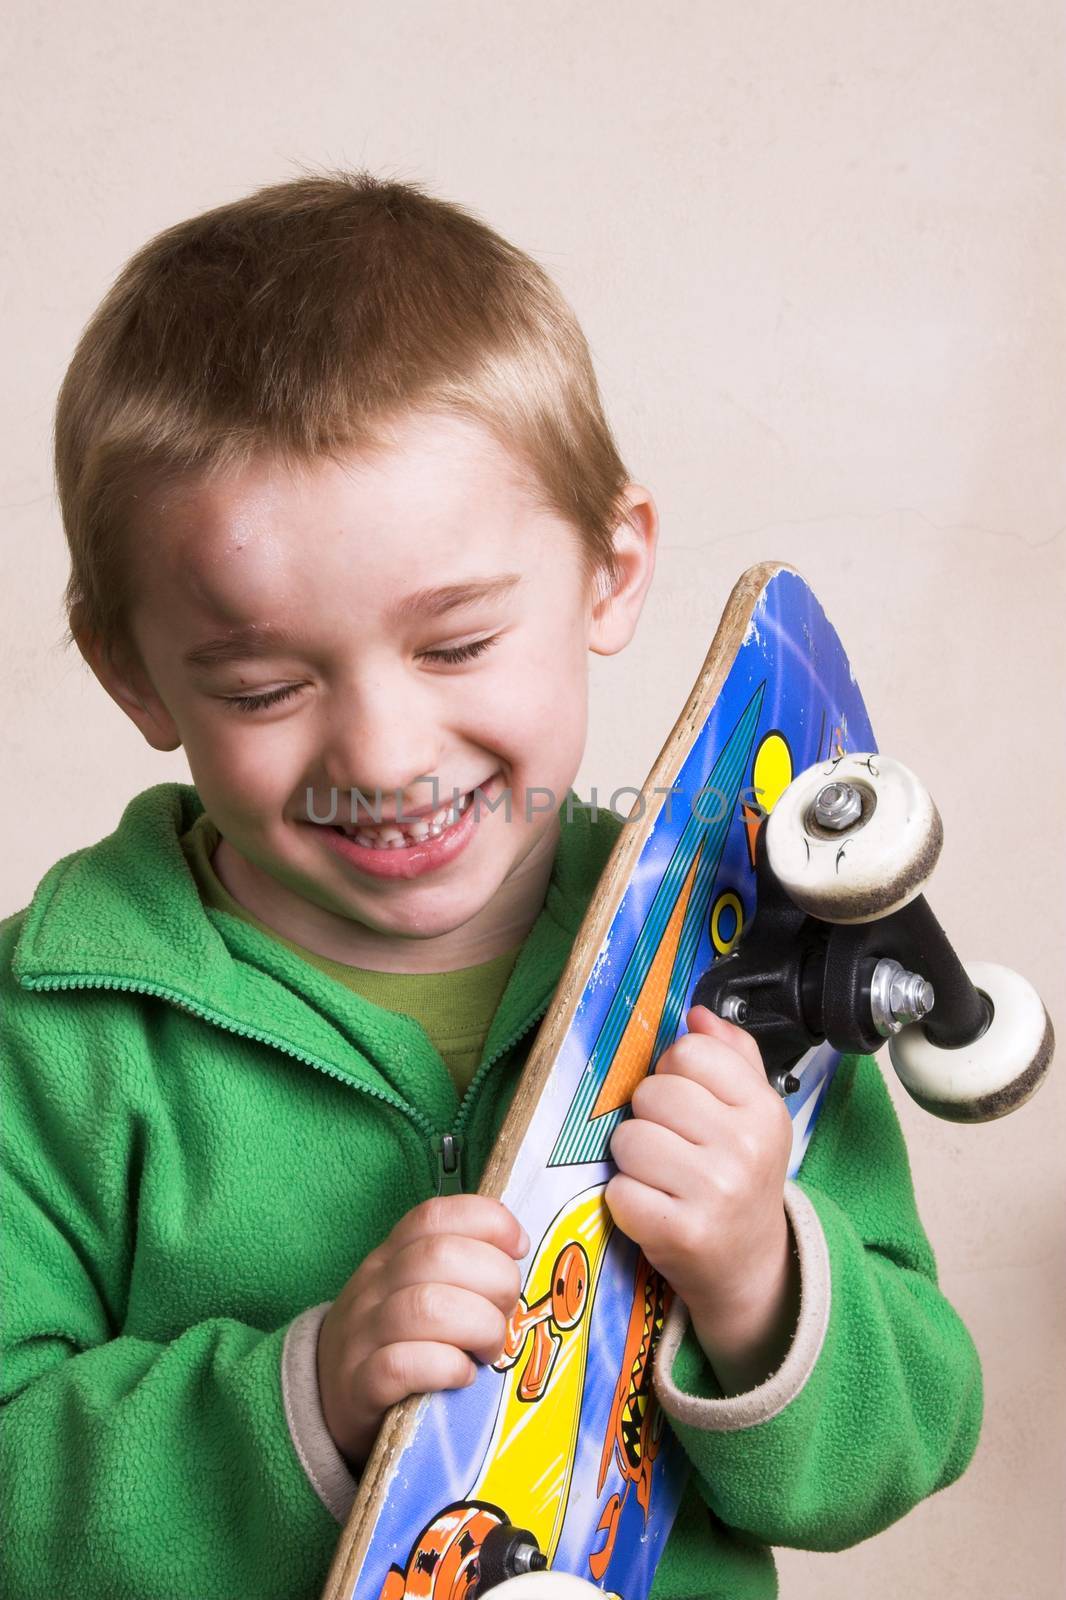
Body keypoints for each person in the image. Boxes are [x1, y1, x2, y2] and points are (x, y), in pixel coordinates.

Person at [1, 172, 982, 1600]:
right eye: (265, 684)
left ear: (609, 565)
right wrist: (307, 1399)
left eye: (454, 647)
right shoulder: (54, 1034)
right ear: (133, 673)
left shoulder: (738, 954)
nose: (385, 754)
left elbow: (914, 1431)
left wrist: (758, 1279)